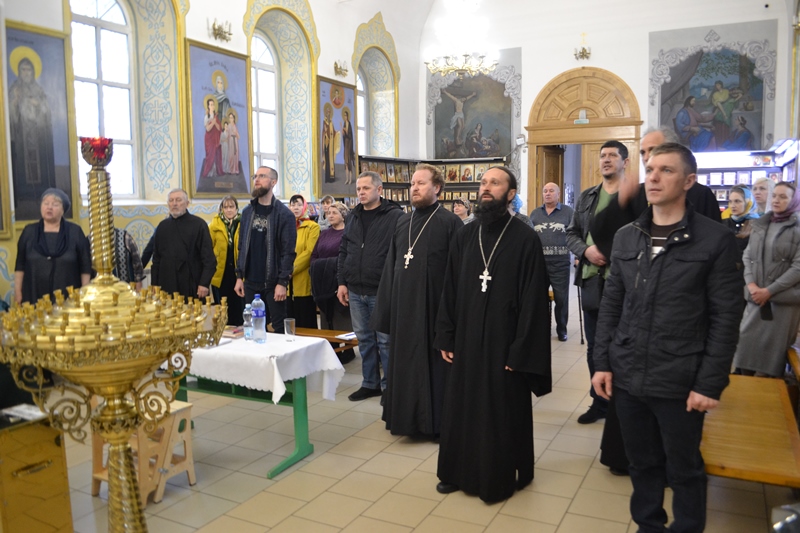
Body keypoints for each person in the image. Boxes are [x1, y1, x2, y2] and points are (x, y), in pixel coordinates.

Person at [592, 142, 743, 533]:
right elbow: (612, 305)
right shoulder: (628, 236)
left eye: (666, 170)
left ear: (689, 181)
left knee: (684, 469)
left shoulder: (714, 240)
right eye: (651, 170)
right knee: (641, 464)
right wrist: (602, 363)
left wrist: (710, 382)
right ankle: (649, 526)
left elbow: (726, 317)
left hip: (680, 378)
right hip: (628, 373)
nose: (654, 177)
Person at [434, 166, 551, 503]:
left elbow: (533, 302)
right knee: (462, 406)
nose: (486, 188)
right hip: (467, 340)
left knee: (499, 410)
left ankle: (501, 475)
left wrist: (521, 352)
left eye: (495, 183)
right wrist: (445, 334)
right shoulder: (464, 235)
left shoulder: (525, 239)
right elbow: (450, 288)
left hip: (505, 344)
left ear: (510, 193)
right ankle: (455, 471)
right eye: (483, 182)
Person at [372, 164, 462, 437]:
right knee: (404, 366)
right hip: (404, 309)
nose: (414, 188)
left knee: (434, 368)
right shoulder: (403, 221)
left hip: (435, 310)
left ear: (437, 188)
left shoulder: (450, 223)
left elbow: (457, 273)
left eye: (421, 183)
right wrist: (385, 312)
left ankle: (436, 424)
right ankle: (406, 421)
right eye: (412, 183)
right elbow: (392, 266)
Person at [566, 140, 641, 426]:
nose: (606, 160)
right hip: (592, 281)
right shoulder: (587, 197)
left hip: (625, 284)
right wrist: (585, 251)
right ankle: (599, 402)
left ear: (625, 162)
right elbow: (572, 232)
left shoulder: (635, 197)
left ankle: (623, 405)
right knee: (596, 345)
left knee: (624, 345)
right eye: (603, 156)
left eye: (613, 155)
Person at [337, 171, 403, 401]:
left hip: (381, 290)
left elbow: (399, 254)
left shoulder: (395, 216)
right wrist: (341, 282)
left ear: (379, 190)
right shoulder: (353, 216)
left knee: (385, 341)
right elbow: (344, 250)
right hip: (355, 289)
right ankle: (370, 383)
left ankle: (390, 388)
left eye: (366, 188)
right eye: (358, 189)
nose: (361, 193)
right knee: (364, 339)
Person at [733, 182, 800, 377]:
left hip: (782, 301)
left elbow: (798, 267)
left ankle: (768, 400)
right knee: (745, 345)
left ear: (794, 200)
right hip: (756, 297)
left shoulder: (797, 228)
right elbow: (748, 256)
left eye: (783, 197)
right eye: (775, 195)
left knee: (769, 359)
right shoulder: (762, 224)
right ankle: (746, 394)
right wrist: (752, 285)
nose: (777, 200)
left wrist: (769, 291)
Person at [235, 167, 297, 333]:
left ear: (273, 182)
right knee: (253, 327)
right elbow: (242, 246)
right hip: (250, 282)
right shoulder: (248, 212)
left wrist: (282, 282)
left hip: (273, 282)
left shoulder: (284, 214)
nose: (257, 179)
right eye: (255, 176)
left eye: (262, 176)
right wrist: (239, 276)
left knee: (278, 328)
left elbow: (288, 252)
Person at [15, 188, 91, 304]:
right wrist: (18, 292)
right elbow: (20, 265)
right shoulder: (29, 232)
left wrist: (85, 293)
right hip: (34, 295)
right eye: (46, 203)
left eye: (55, 204)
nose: (49, 207)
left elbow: (85, 266)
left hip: (68, 296)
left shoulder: (75, 232)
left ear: (63, 210)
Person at [9, 55, 56, 219]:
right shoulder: (14, 88)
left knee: (40, 163)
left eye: (29, 70)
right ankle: (25, 193)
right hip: (22, 136)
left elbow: (47, 112)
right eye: (23, 70)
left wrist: (39, 105)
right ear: (19, 72)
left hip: (38, 135)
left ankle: (42, 192)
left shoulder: (39, 90)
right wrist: (15, 101)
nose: (26, 73)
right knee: (23, 164)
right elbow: (11, 115)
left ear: (33, 72)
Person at [151, 189, 216, 300]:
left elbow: (209, 259)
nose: (174, 203)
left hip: (192, 284)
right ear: (168, 204)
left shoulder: (199, 224)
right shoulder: (162, 226)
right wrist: (154, 284)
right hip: (167, 283)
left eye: (178, 200)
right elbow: (156, 258)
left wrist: (204, 283)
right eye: (171, 200)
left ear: (187, 203)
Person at [530, 182, 574, 341]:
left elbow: (575, 235)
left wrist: (577, 257)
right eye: (545, 191)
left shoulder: (568, 213)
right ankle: (541, 329)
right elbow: (530, 239)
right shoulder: (535, 214)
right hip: (539, 264)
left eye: (551, 191)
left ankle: (562, 329)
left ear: (558, 194)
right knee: (539, 298)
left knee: (561, 299)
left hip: (561, 263)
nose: (547, 194)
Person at [310, 202, 352, 341]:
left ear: (343, 215)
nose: (330, 215)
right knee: (325, 318)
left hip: (339, 280)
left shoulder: (348, 233)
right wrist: (315, 267)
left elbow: (347, 255)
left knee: (341, 319)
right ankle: (330, 347)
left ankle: (346, 349)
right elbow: (315, 254)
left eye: (334, 213)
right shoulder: (324, 233)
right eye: (328, 213)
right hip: (322, 281)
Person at [209, 195, 243, 325]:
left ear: (236, 208)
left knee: (238, 307)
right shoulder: (214, 225)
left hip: (238, 272)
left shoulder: (242, 222)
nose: (229, 210)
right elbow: (209, 247)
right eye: (226, 207)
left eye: (231, 207)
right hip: (220, 272)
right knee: (222, 307)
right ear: (221, 209)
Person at [288, 194, 320, 329]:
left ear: (305, 206)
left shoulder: (312, 227)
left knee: (305, 321)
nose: (296, 208)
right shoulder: (286, 226)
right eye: (293, 205)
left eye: (299, 205)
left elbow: (309, 252)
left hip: (302, 277)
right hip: (285, 283)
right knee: (289, 322)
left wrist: (290, 269)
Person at [722, 186, 760, 261]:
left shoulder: (758, 224)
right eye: (730, 201)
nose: (732, 205)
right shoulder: (723, 223)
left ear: (748, 202)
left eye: (737, 201)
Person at [199, 97, 223, 179]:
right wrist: (213, 122)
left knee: (215, 154)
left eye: (213, 104)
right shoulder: (207, 117)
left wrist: (215, 122)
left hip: (215, 138)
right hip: (209, 139)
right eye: (211, 105)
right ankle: (208, 172)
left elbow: (219, 128)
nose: (212, 106)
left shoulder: (216, 117)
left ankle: (214, 172)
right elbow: (208, 128)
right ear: (208, 106)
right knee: (210, 154)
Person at [322, 103, 336, 183]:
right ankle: (327, 177)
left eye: (329, 112)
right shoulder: (325, 121)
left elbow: (333, 132)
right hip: (327, 143)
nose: (328, 113)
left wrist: (335, 133)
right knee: (327, 161)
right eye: (327, 112)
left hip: (331, 144)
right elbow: (324, 131)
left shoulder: (331, 122)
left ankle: (332, 177)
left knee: (331, 161)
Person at [342, 108, 355, 185]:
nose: (345, 117)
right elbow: (344, 136)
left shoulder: (349, 124)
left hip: (349, 146)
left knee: (349, 163)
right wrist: (343, 133)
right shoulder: (344, 124)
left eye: (346, 116)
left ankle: (350, 179)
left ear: (348, 116)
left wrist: (346, 132)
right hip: (345, 146)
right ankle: (347, 179)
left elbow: (350, 135)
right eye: (344, 116)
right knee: (346, 163)